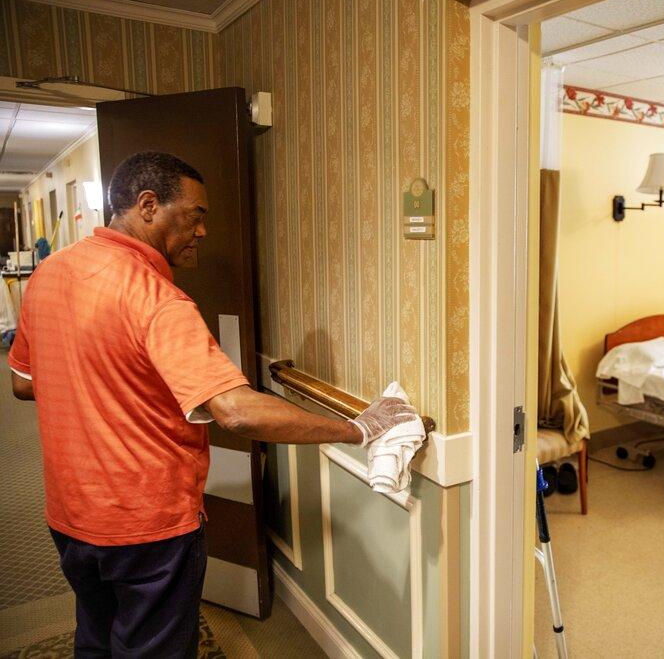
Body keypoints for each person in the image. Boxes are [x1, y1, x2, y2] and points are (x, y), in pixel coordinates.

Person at [8, 151, 416, 658]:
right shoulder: (156, 299)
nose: (203, 231)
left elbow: (23, 384)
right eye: (196, 215)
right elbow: (238, 411)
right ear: (149, 205)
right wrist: (362, 427)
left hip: (69, 513)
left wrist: (99, 384)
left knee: (97, 632)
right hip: (146, 526)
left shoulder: (50, 273)